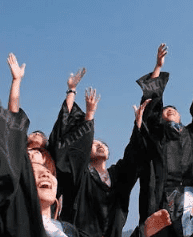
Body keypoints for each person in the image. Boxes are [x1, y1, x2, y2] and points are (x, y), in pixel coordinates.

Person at [0, 42, 84, 237]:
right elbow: (13, 120)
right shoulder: (14, 162)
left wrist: (71, 92)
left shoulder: (68, 230)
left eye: (44, 168)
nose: (43, 173)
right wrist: (9, 82)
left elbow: (59, 126)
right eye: (31, 157)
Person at [135, 44, 193, 222]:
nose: (170, 110)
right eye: (166, 110)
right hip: (158, 196)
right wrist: (158, 67)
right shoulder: (155, 134)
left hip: (188, 198)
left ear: (180, 117)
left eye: (174, 110)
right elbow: (151, 105)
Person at [52, 70, 147, 237]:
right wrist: (87, 113)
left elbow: (133, 157)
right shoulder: (81, 175)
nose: (99, 145)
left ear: (109, 153)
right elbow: (68, 143)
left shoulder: (117, 175)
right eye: (94, 144)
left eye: (103, 144)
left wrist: (138, 124)